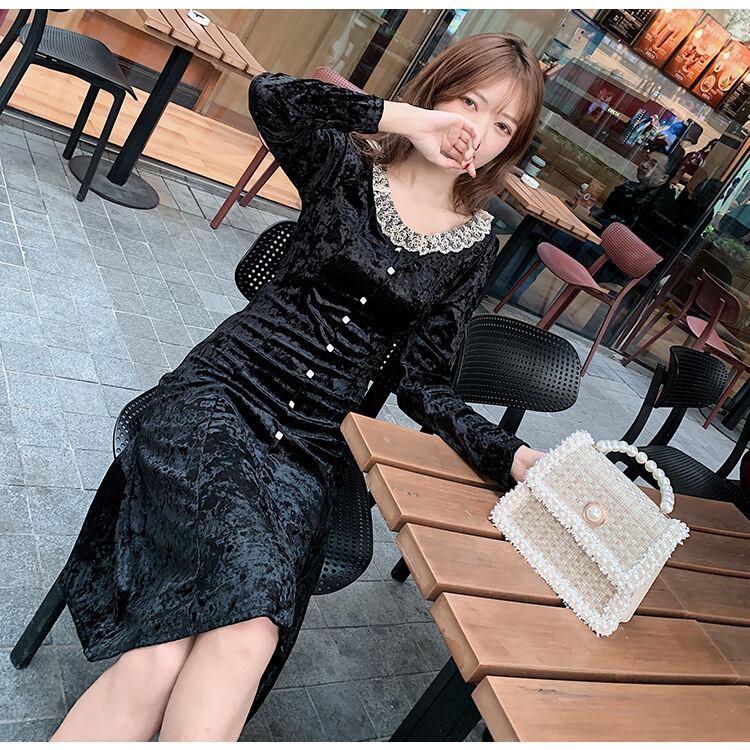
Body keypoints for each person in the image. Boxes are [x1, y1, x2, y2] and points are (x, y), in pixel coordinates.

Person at [50, 33, 546, 742]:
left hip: (306, 451)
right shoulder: (344, 167)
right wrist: (406, 121)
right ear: (437, 91)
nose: (477, 131)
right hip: (220, 397)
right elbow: (272, 97)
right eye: (469, 103)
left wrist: (511, 456)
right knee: (188, 643)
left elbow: (425, 383)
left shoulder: (474, 246)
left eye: (501, 125)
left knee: (223, 640)